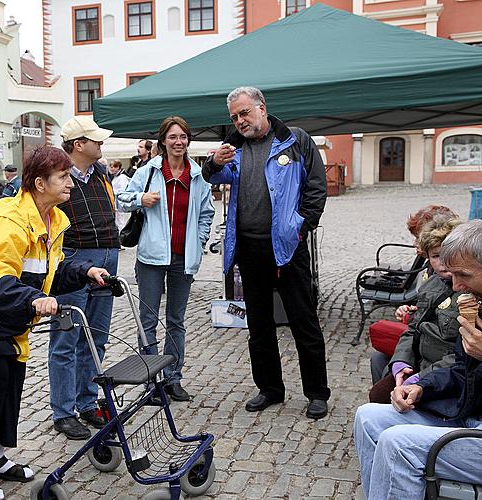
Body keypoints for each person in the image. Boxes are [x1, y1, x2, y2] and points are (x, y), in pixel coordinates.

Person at [0, 146, 108, 500]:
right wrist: (33, 299)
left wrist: (84, 271)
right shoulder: (10, 222)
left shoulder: (52, 220)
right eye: (63, 177)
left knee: (9, 392)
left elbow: (48, 273)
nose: (71, 183)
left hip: (13, 326)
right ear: (40, 183)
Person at [202, 86, 330, 419]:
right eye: (234, 117)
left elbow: (316, 186)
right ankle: (270, 389)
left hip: (287, 247)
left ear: (262, 108)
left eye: (244, 113)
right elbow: (214, 176)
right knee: (259, 325)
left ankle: (317, 393)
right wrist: (213, 162)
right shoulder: (234, 148)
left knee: (304, 321)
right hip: (248, 247)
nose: (240, 121)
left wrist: (301, 225)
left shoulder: (295, 140)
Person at [353, 219, 482, 500]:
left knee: (398, 444)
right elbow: (460, 369)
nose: (456, 285)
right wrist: (422, 385)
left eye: (464, 275)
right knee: (368, 417)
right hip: (466, 412)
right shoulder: (476, 304)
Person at [117, 116, 215, 400]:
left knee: (176, 320)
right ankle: (151, 382)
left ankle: (173, 378)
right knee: (148, 319)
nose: (178, 142)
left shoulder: (195, 175)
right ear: (163, 141)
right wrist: (141, 199)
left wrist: (199, 240)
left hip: (183, 257)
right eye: (172, 137)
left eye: (183, 137)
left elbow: (206, 212)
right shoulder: (148, 171)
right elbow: (121, 198)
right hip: (151, 257)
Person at [49, 116, 120, 440]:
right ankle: (64, 412)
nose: (100, 144)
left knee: (97, 338)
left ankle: (87, 402)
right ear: (79, 145)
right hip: (74, 262)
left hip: (107, 258)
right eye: (95, 140)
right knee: (66, 340)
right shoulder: (59, 178)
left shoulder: (101, 173)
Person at [368, 215, 463, 403]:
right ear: (428, 257)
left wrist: (422, 380)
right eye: (436, 256)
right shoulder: (431, 284)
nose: (443, 262)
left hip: (443, 375)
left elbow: (461, 356)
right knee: (379, 391)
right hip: (420, 364)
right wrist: (402, 362)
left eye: (447, 254)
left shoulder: (469, 293)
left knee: (383, 397)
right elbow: (413, 328)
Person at [108, 160, 131, 231]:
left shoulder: (122, 177)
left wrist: (112, 192)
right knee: (118, 221)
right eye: (111, 167)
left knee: (122, 222)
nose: (112, 168)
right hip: (116, 204)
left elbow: (123, 191)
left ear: (119, 168)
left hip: (121, 204)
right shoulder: (115, 177)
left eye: (114, 167)